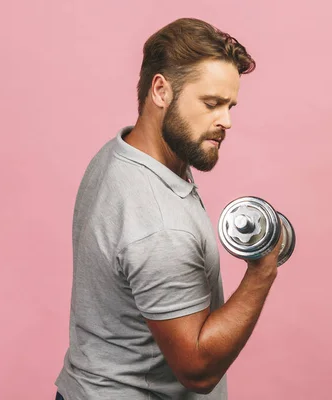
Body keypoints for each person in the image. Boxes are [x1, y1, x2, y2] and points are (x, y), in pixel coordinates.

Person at [54, 17, 283, 400]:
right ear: (161, 90)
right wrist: (263, 270)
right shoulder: (160, 225)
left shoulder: (118, 155)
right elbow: (197, 370)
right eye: (211, 103)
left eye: (230, 105)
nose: (225, 121)